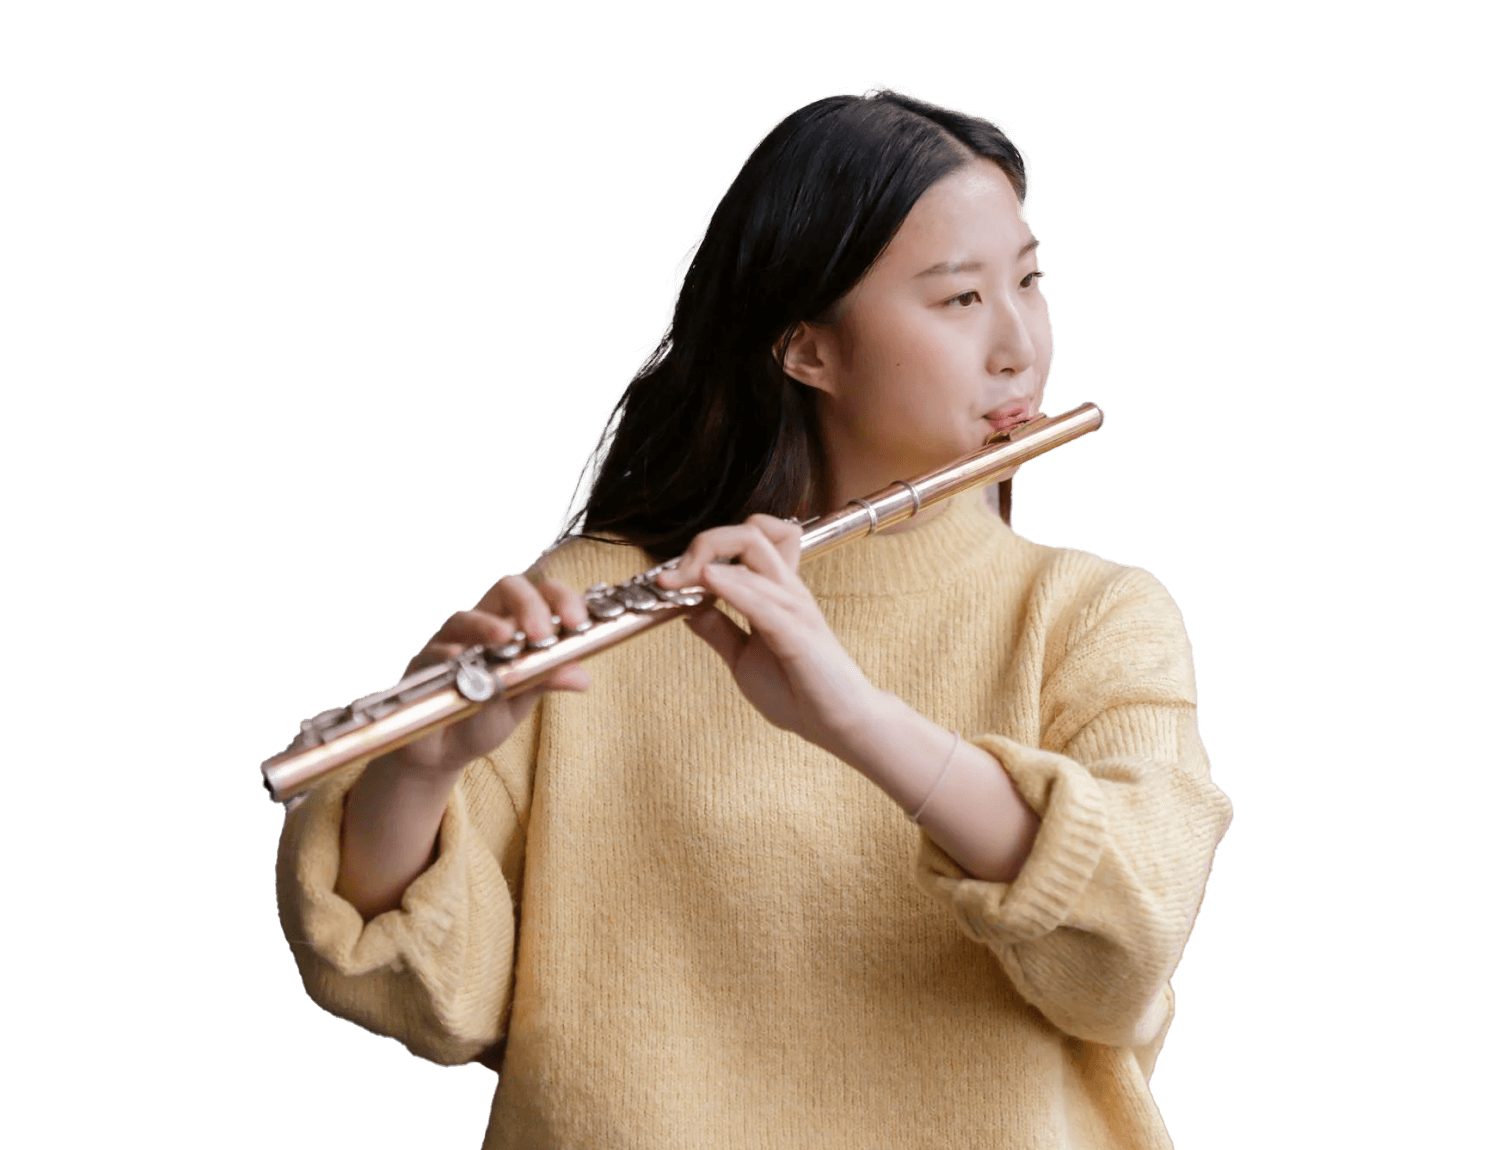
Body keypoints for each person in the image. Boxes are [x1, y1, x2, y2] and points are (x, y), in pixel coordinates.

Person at [275, 83, 1234, 1148]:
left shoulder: (1095, 612)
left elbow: (1125, 945)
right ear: (806, 349)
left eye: (1027, 280)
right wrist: (419, 770)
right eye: (959, 299)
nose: (1018, 344)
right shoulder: (599, 588)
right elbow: (429, 1000)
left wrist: (848, 716)